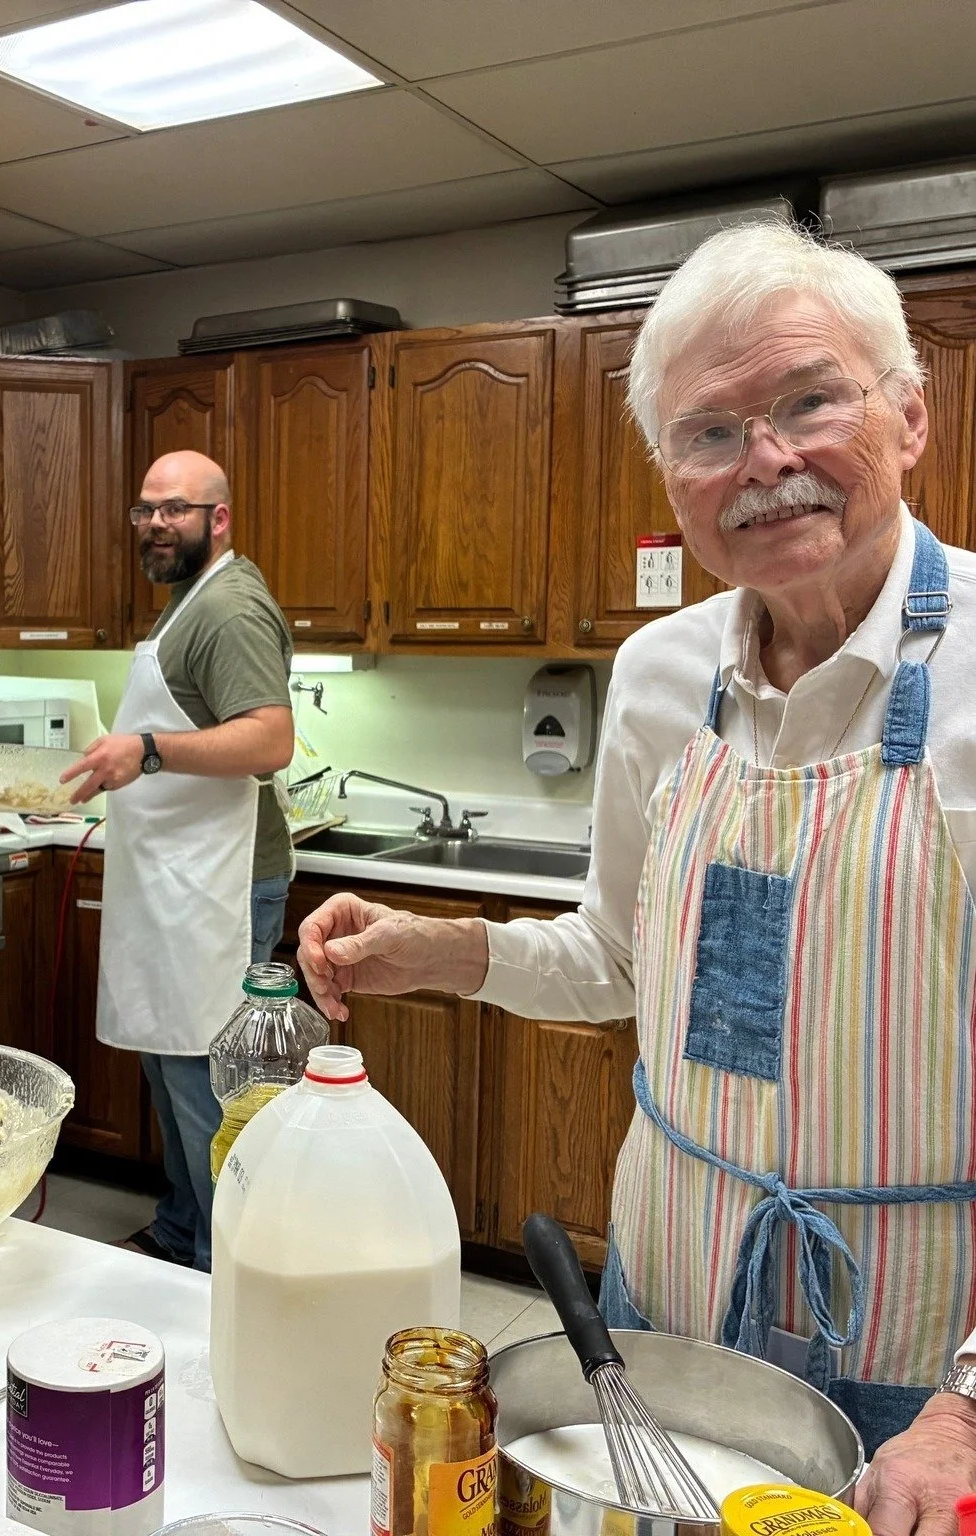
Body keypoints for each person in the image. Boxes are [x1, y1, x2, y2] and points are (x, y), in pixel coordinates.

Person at [298, 224, 976, 1532]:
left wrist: (967, 1408)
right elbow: (618, 962)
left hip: (919, 1366)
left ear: (909, 417)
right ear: (670, 476)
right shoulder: (664, 677)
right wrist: (431, 949)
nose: (765, 464)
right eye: (708, 432)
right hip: (659, 1312)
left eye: (808, 400)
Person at [65, 449, 294, 1273]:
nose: (156, 524)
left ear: (218, 519)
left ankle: (218, 1267)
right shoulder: (186, 603)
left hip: (221, 883)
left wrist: (150, 751)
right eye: (145, 510)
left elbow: (270, 739)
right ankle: (176, 1230)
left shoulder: (228, 607)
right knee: (171, 1067)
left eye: (176, 510)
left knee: (206, 1084)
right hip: (177, 877)